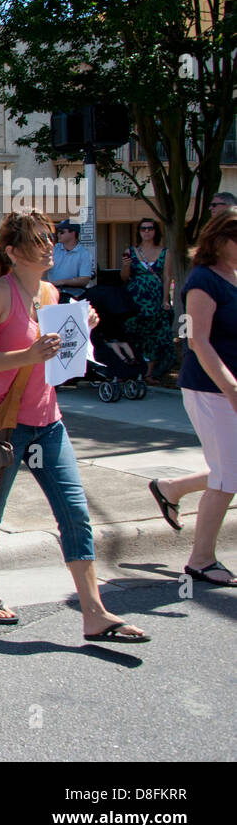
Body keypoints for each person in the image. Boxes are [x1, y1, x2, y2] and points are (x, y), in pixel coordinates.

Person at [0, 208, 148, 642]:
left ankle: (95, 613)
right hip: (2, 424)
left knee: (75, 514)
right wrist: (28, 356)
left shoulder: (50, 293)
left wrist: (83, 329)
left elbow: (61, 359)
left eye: (49, 238)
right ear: (13, 251)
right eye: (39, 240)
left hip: (48, 421)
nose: (49, 246)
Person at [148, 206, 237, 587]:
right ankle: (201, 560)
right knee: (227, 477)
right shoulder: (203, 279)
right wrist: (231, 388)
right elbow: (197, 341)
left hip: (228, 389)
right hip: (211, 390)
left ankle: (172, 488)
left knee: (229, 468)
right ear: (219, 239)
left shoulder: (233, 275)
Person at [120, 216, 175, 382]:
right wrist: (126, 265)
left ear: (155, 231)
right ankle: (132, 369)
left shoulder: (165, 252)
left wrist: (165, 300)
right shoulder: (131, 251)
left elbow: (167, 278)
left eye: (150, 228)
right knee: (133, 332)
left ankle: (149, 373)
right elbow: (124, 277)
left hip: (155, 298)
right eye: (143, 228)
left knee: (154, 334)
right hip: (135, 298)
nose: (146, 231)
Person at [47, 219, 93, 301]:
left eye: (62, 232)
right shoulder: (53, 249)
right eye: (57, 232)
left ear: (73, 233)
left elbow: (84, 279)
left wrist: (62, 282)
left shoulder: (84, 253)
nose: (58, 235)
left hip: (75, 295)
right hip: (51, 293)